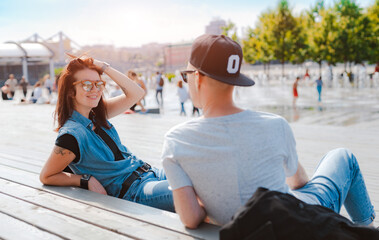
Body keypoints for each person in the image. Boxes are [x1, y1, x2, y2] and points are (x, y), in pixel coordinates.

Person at [161, 34, 376, 229]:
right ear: (234, 80)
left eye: (186, 75)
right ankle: (366, 229)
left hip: (245, 228)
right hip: (289, 222)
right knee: (342, 156)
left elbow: (190, 218)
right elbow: (299, 181)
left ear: (197, 77)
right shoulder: (275, 125)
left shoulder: (175, 141)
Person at [40, 56, 174, 212]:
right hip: (135, 191)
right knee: (191, 190)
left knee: (201, 176)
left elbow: (137, 93)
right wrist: (84, 180)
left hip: (151, 173)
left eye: (98, 84)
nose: (95, 90)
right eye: (87, 84)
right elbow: (47, 175)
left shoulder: (97, 114)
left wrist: (104, 67)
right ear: (70, 91)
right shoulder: (71, 135)